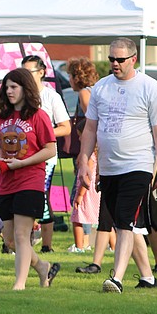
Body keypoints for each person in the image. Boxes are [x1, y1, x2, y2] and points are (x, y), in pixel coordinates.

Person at [74, 38, 157, 293]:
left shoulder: (150, 87)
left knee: (125, 221)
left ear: (133, 59)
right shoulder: (101, 88)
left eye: (120, 59)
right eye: (111, 59)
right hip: (108, 166)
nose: (115, 64)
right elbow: (90, 129)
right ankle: (148, 276)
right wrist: (85, 162)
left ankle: (116, 278)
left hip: (138, 164)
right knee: (123, 222)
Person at [0, 67, 60, 290]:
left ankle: (19, 284)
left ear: (25, 88)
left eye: (14, 87)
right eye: (7, 87)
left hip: (30, 180)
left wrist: (22, 163)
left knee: (23, 235)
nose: (9, 91)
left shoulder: (38, 116)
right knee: (9, 239)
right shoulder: (3, 116)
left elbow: (50, 149)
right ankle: (42, 267)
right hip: (6, 182)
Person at [23, 54, 71, 253]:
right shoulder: (19, 95)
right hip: (22, 155)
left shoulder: (51, 96)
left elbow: (65, 127)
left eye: (29, 71)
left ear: (41, 72)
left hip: (45, 156)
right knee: (23, 197)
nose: (24, 76)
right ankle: (22, 241)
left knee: (41, 197)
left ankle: (46, 245)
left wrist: (42, 134)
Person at [66, 57, 99, 254]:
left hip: (89, 151)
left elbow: (91, 123)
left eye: (70, 75)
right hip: (95, 151)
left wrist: (84, 153)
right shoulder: (96, 89)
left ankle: (83, 242)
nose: (68, 79)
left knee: (81, 195)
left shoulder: (85, 94)